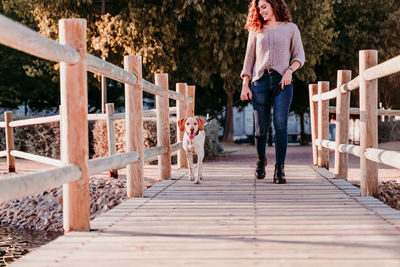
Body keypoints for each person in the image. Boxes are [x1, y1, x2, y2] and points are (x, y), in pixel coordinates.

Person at [240, 0, 305, 184]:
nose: (261, 11)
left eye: (264, 7)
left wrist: (289, 72)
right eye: (258, 9)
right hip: (259, 82)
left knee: (280, 125)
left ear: (274, 5)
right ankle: (261, 161)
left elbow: (300, 56)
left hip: (282, 82)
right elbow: (249, 60)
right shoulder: (256, 30)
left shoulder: (291, 28)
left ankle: (279, 169)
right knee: (260, 129)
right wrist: (245, 86)